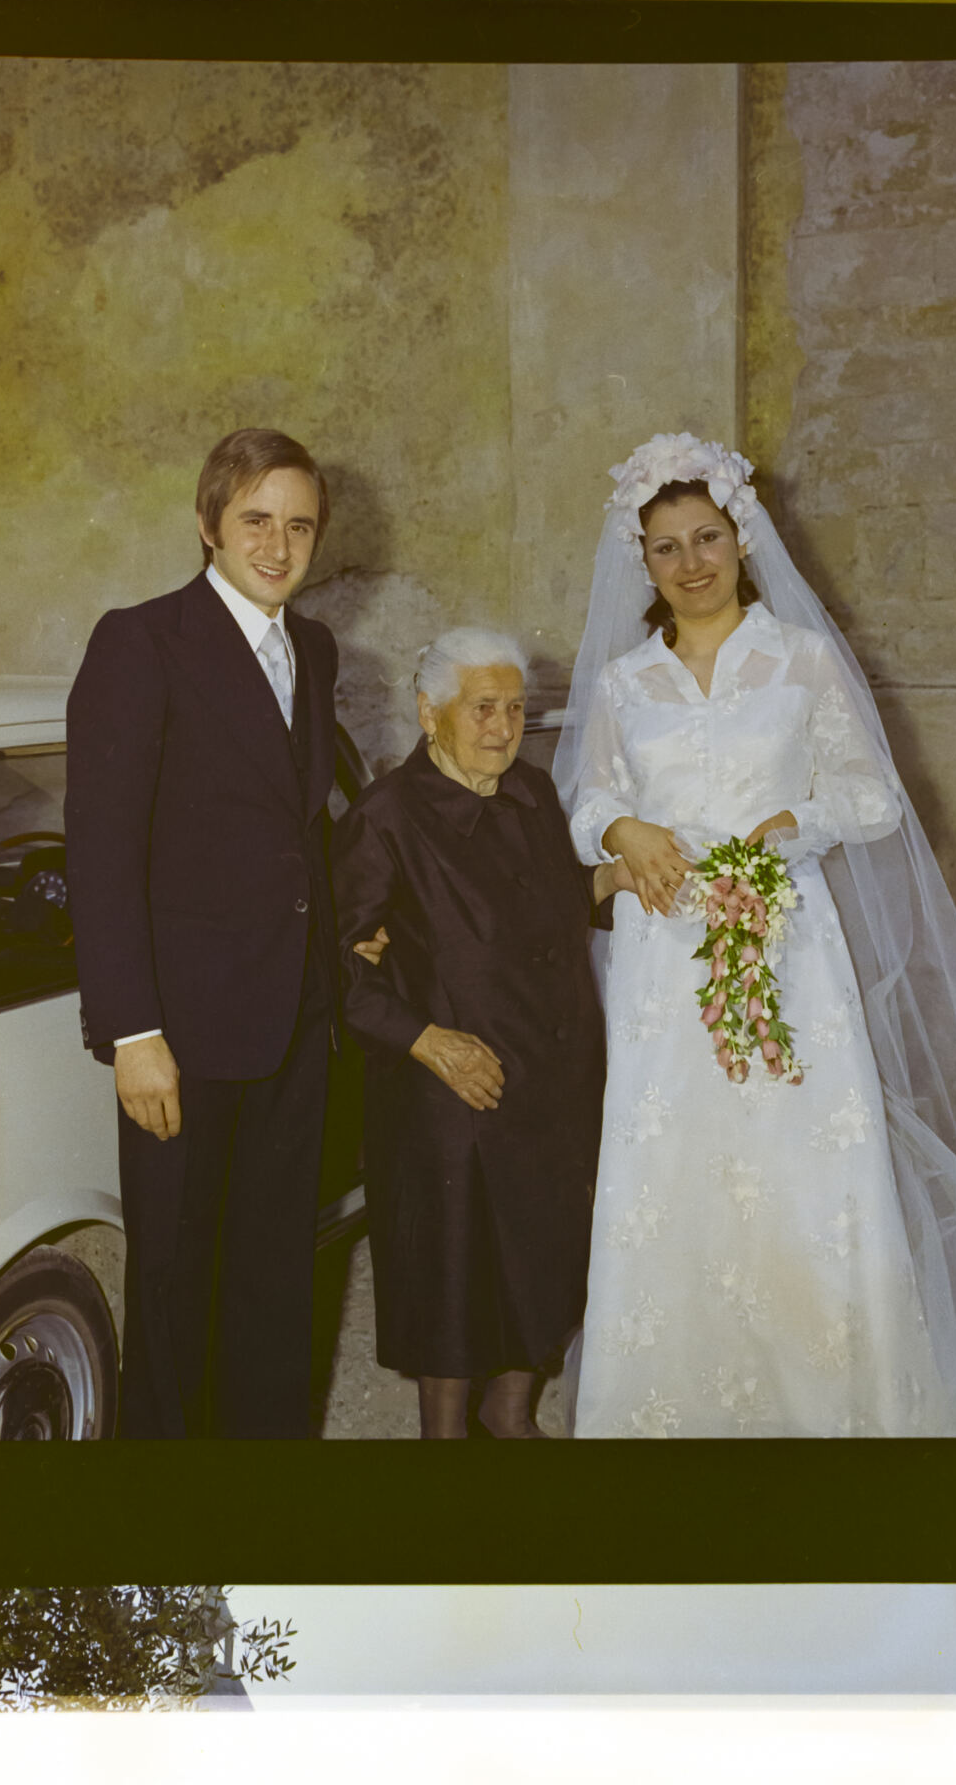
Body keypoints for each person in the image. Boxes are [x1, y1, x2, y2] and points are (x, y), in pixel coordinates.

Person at [552, 432, 956, 1440]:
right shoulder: (623, 683)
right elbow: (586, 800)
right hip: (666, 959)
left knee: (799, 1160)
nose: (691, 562)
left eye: (707, 537)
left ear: (743, 538)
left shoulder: (800, 659)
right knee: (675, 1166)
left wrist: (796, 822)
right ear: (639, 560)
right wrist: (620, 831)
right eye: (666, 546)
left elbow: (871, 796)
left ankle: (836, 1406)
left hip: (786, 942)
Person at [65, 426, 339, 1439]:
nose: (278, 545)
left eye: (299, 526)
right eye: (255, 520)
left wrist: (342, 943)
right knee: (177, 1290)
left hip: (293, 1022)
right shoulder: (141, 642)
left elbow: (295, 830)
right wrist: (132, 1032)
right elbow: (100, 851)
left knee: (275, 1281)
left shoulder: (316, 648)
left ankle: (260, 1495)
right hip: (178, 1034)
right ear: (208, 525)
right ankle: (166, 1510)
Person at [332, 628, 630, 1439]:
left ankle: (510, 1412)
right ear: (429, 713)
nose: (502, 728)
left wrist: (615, 877)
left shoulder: (529, 791)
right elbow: (338, 970)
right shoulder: (386, 817)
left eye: (515, 709)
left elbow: (557, 904)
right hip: (447, 1084)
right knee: (452, 1268)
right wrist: (429, 1041)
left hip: (551, 1067)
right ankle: (444, 1435)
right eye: (482, 708)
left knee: (545, 1249)